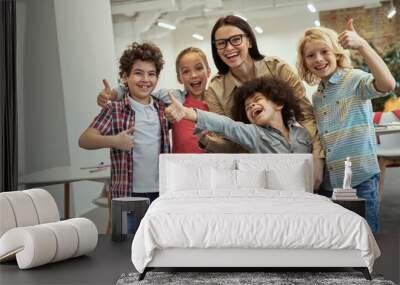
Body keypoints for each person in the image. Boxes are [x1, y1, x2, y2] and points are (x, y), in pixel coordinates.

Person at [296, 19, 396, 233]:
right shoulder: (317, 96)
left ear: (337, 53)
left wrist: (362, 45)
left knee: (364, 239)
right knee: (338, 238)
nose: (319, 59)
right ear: (304, 62)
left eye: (325, 51)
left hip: (361, 179)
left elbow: (388, 84)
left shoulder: (354, 80)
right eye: (311, 55)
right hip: (331, 183)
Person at [204, 15, 324, 189]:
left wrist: (317, 159)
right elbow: (229, 137)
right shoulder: (215, 89)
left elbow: (305, 115)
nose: (229, 48)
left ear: (249, 41)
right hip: (250, 171)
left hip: (293, 159)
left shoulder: (278, 68)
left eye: (236, 40)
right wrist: (208, 140)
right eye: (221, 43)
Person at [79, 42, 171, 232]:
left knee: (157, 244)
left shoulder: (162, 109)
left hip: (161, 193)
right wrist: (114, 141)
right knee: (127, 249)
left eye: (151, 74)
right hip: (128, 195)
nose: (145, 79)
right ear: (125, 77)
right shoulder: (115, 109)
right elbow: (85, 139)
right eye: (138, 73)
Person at [97, 47, 211, 153]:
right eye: (186, 71)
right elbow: (137, 91)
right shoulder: (171, 98)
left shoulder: (219, 103)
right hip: (180, 171)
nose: (193, 75)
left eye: (199, 68)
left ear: (209, 71)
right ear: (179, 78)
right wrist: (113, 95)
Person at [165, 77, 312, 154]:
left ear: (278, 103)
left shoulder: (303, 133)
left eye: (257, 100)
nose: (252, 106)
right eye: (247, 107)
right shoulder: (254, 134)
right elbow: (227, 126)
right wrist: (187, 112)